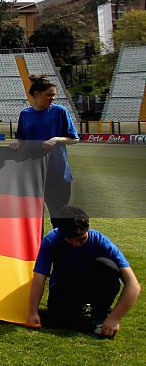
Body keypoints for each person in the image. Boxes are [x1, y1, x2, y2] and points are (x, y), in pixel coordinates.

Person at [28, 206, 140, 337]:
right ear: (60, 233)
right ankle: (80, 311)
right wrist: (32, 312)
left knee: (107, 266)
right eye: (70, 240)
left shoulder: (101, 242)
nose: (76, 244)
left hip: (90, 284)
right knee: (59, 320)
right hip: (64, 287)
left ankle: (100, 315)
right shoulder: (51, 240)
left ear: (88, 229)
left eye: (81, 239)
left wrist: (114, 318)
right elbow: (39, 277)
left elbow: (133, 285)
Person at [11, 75, 79, 217]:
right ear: (37, 94)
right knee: (33, 217)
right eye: (49, 95)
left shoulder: (60, 111)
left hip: (58, 172)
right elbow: (21, 138)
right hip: (32, 173)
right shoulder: (25, 114)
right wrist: (16, 141)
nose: (52, 98)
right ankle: (37, 240)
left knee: (59, 215)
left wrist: (56, 139)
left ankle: (58, 239)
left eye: (54, 95)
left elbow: (74, 138)